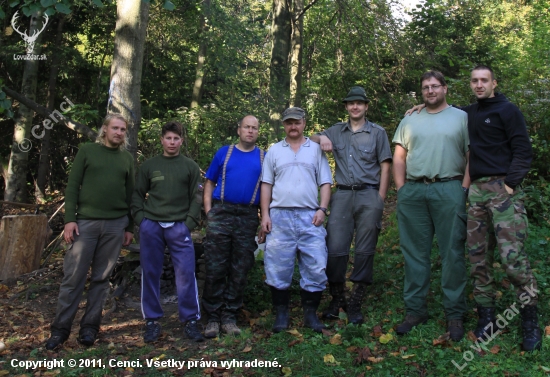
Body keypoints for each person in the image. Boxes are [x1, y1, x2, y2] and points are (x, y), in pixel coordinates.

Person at [405, 66, 541, 351]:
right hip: (476, 192)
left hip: (503, 190)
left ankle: (530, 319)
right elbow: (442, 109)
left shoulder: (508, 110)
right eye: (474, 81)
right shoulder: (469, 113)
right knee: (478, 259)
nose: (479, 85)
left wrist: (511, 184)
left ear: (494, 83)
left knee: (511, 258)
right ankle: (487, 318)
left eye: (484, 80)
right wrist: (422, 104)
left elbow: (523, 149)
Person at [392, 71, 470, 341]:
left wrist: (464, 188)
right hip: (413, 191)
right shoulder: (410, 118)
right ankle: (415, 311)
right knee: (414, 253)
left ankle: (455, 314)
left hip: (449, 188)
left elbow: (471, 155)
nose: (430, 90)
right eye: (425, 87)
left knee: (452, 253)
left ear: (445, 88)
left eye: (435, 86)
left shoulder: (461, 117)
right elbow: (399, 156)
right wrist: (401, 189)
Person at [45, 114, 134, 350]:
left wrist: (129, 226)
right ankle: (60, 330)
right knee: (73, 278)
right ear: (104, 129)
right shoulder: (87, 151)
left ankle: (89, 329)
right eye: (114, 128)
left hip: (115, 225)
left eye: (123, 129)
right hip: (85, 224)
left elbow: (130, 193)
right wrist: (69, 220)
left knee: (101, 279)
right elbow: (73, 186)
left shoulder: (126, 158)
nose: (119, 132)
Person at [310, 86, 392, 324]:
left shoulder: (377, 132)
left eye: (359, 103)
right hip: (343, 195)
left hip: (369, 195)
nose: (355, 107)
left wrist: (381, 198)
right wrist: (322, 137)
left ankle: (356, 300)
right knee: (335, 248)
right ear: (346, 107)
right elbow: (311, 138)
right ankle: (337, 298)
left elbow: (385, 165)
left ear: (366, 106)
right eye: (350, 103)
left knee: (365, 249)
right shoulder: (336, 131)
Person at [261, 107, 333, 333]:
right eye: (288, 123)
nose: (293, 126)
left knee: (316, 264)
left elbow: (325, 183)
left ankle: (310, 314)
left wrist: (322, 209)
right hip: (279, 216)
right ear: (283, 125)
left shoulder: (315, 150)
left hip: (310, 216)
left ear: (304, 123)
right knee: (277, 266)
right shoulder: (274, 151)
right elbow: (266, 184)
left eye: (297, 122)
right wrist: (265, 214)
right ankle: (281, 315)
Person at [131, 121, 204, 343]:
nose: (172, 143)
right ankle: (152, 321)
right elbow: (136, 193)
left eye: (176, 139)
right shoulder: (149, 166)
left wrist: (189, 223)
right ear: (162, 140)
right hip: (151, 224)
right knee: (150, 271)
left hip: (179, 226)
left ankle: (190, 320)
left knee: (185, 272)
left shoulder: (190, 166)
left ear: (182, 141)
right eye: (168, 138)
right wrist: (141, 220)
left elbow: (197, 197)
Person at [202, 115, 265, 338]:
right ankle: (212, 317)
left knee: (240, 268)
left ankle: (230, 316)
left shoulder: (263, 157)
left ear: (258, 132)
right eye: (246, 127)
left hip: (248, 216)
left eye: (254, 128)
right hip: (221, 212)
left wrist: (264, 217)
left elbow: (267, 190)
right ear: (239, 130)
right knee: (215, 266)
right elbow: (209, 182)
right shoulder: (224, 153)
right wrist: (209, 210)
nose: (250, 131)